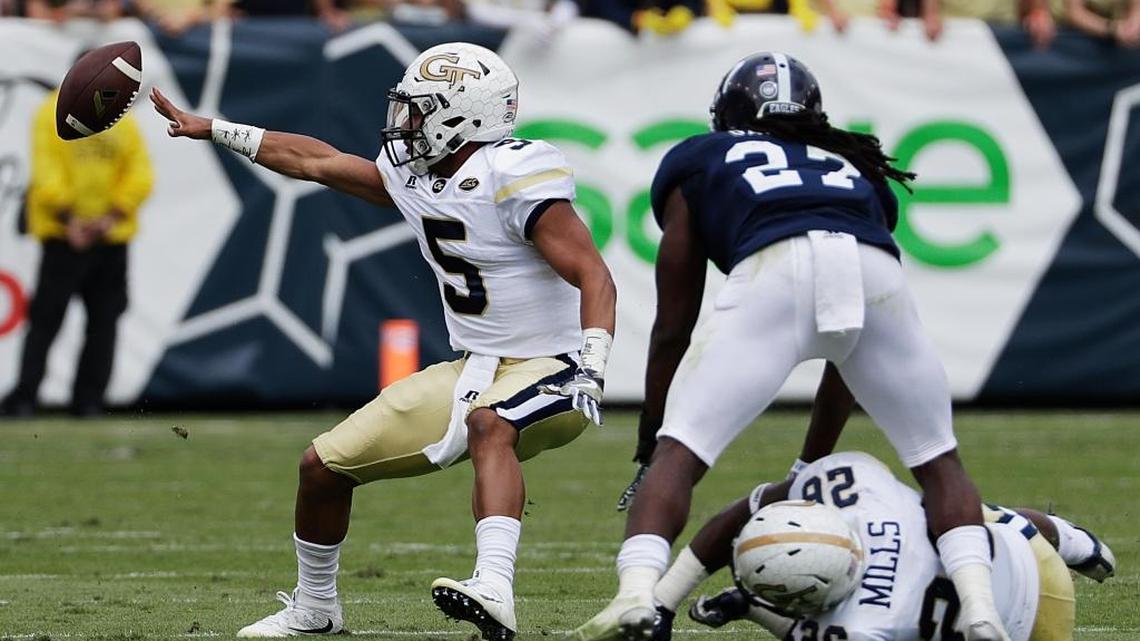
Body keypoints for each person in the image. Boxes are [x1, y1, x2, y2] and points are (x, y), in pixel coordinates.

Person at [150, 42, 616, 640]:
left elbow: (592, 273)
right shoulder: (415, 175)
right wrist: (215, 129)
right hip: (474, 368)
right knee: (322, 466)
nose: (405, 123)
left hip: (556, 364)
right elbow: (317, 161)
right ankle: (316, 608)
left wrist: (593, 362)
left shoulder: (513, 173)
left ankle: (495, 587)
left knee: (490, 425)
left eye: (419, 110)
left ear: (462, 116)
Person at [572, 52, 1010, 641]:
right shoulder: (854, 166)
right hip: (870, 270)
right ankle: (980, 610)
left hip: (773, 266)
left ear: (727, 113)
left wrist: (654, 432)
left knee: (682, 453)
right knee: (938, 459)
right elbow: (847, 357)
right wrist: (810, 464)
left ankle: (635, 597)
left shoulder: (701, 157)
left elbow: (674, 322)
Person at [650, 450, 1115, 641]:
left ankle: (750, 604)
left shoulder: (859, 627)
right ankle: (1071, 539)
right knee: (957, 514)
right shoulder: (854, 485)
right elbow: (750, 507)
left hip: (1032, 627)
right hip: (1024, 553)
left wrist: (666, 602)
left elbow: (807, 630)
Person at [0, 87, 153, 418]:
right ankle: (29, 395)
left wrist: (104, 219)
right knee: (48, 319)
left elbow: (141, 175)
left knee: (102, 321)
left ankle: (87, 400)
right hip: (65, 237)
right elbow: (46, 175)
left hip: (105, 238)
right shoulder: (53, 112)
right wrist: (74, 220)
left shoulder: (119, 119)